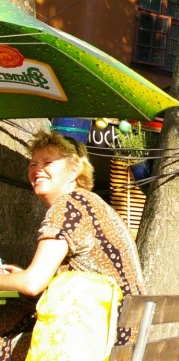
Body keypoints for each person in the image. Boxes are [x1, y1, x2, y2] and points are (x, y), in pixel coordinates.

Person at [0, 131, 145, 360]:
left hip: (94, 341)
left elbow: (32, 283)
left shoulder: (69, 205)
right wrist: (22, 275)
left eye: (48, 162)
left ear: (74, 170)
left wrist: (20, 278)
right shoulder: (92, 203)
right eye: (32, 163)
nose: (36, 169)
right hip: (119, 336)